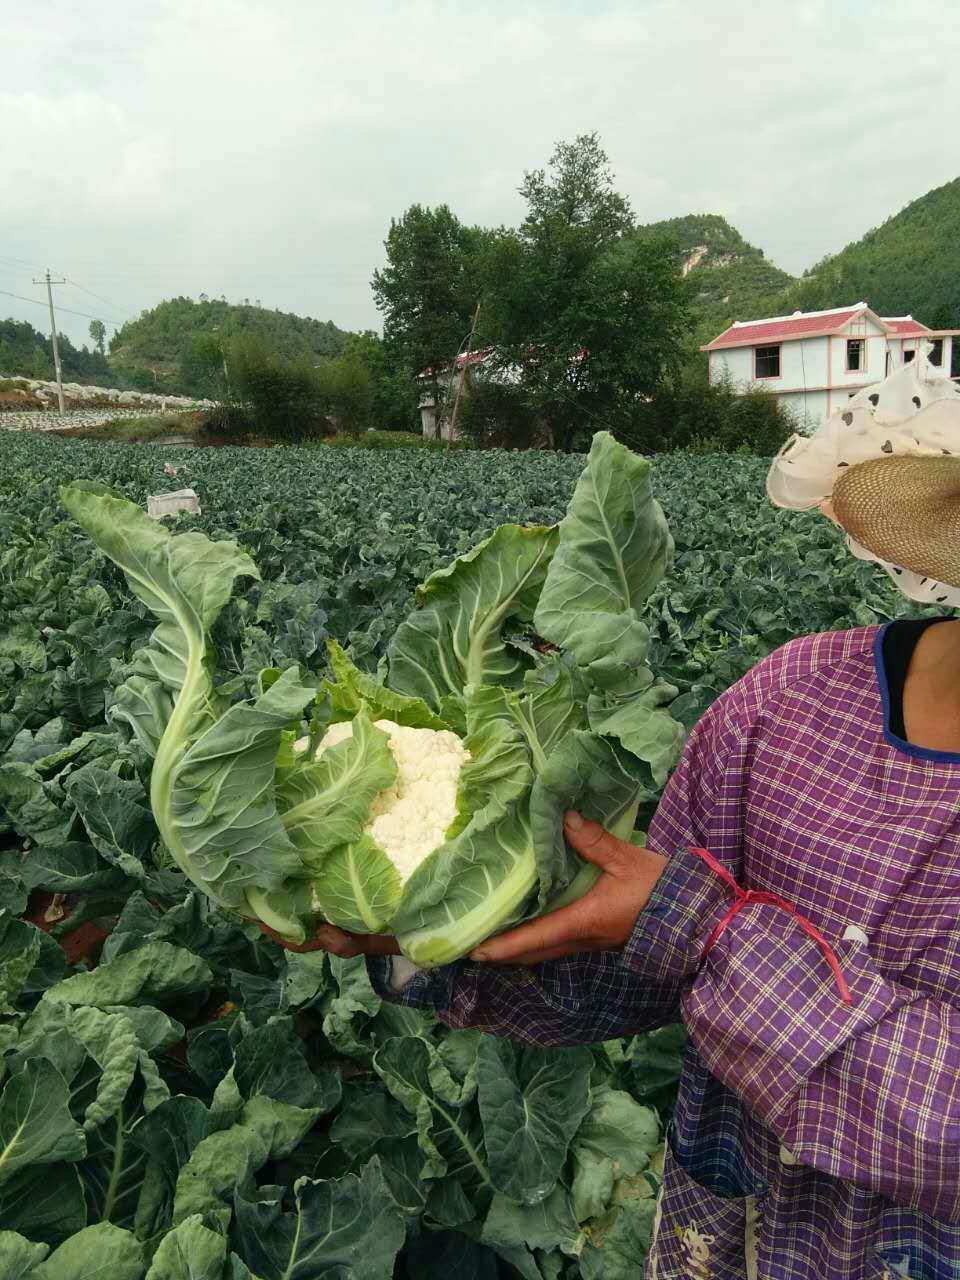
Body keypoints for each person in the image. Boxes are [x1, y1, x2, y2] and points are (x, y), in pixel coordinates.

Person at [263, 351, 960, 1278]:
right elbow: (636, 960)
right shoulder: (792, 698)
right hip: (728, 1240)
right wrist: (441, 926)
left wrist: (708, 934)